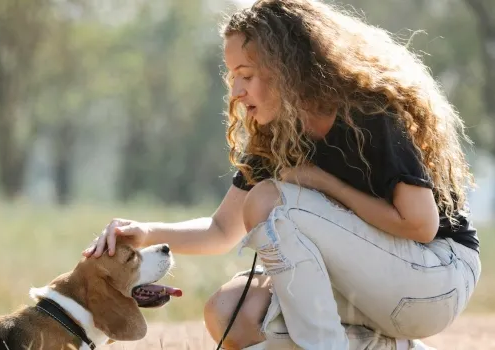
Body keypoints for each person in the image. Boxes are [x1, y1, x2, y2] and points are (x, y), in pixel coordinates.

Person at [82, 0, 482, 349]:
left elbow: (421, 224)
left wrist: (323, 183)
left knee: (269, 200)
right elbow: (222, 230)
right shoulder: (277, 135)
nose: (236, 90)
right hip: (374, 288)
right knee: (229, 313)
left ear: (287, 69)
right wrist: (146, 233)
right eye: (232, 75)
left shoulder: (367, 112)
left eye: (247, 75)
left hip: (435, 280)